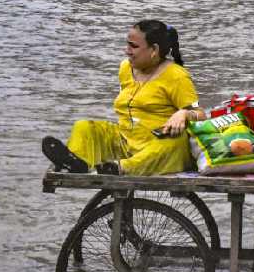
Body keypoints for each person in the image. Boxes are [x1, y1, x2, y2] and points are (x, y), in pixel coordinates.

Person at [42, 20, 206, 176]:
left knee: (173, 143)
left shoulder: (177, 76)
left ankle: (120, 168)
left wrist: (184, 114)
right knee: (84, 126)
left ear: (154, 50)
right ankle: (77, 163)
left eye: (133, 46)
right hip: (125, 141)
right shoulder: (125, 68)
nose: (126, 50)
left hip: (159, 148)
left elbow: (201, 115)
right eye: (127, 44)